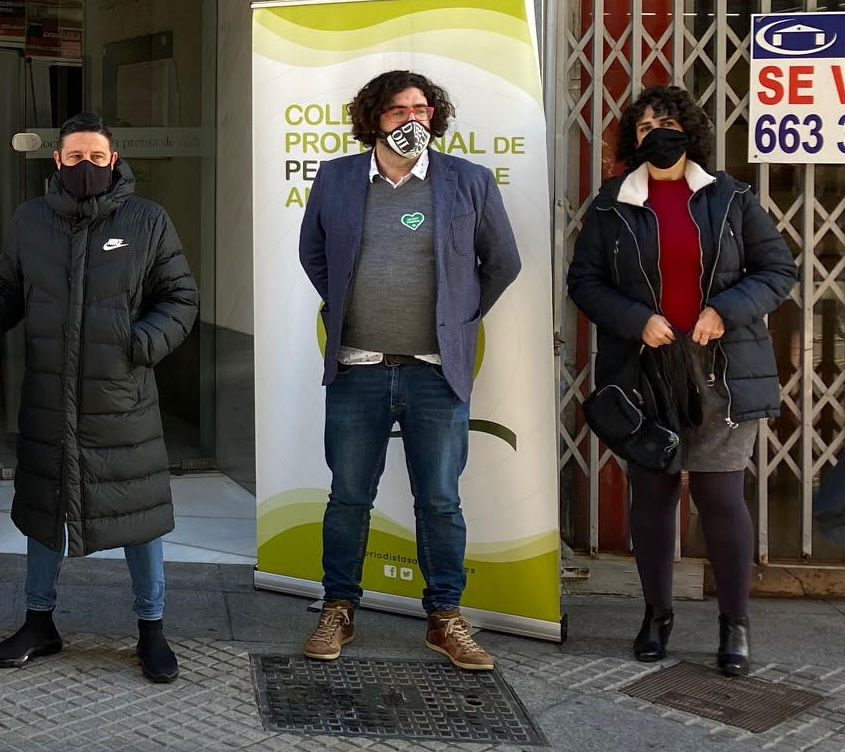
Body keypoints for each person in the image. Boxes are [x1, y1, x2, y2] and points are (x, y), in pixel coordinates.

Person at [0, 112, 198, 684]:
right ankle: (39, 622)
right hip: (46, 396)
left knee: (139, 514)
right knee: (44, 512)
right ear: (55, 162)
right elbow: (9, 292)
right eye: (73, 157)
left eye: (95, 157)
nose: (84, 166)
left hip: (122, 397)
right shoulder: (30, 220)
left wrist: (136, 346)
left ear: (113, 160)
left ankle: (151, 630)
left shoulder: (148, 221)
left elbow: (180, 299)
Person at [565, 83, 795, 677]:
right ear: (633, 139)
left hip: (720, 366)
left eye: (668, 124)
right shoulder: (613, 204)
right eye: (645, 128)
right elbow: (585, 282)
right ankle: (657, 613)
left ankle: (734, 623)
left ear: (689, 131)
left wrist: (726, 309)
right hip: (646, 367)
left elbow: (777, 269)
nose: (657, 135)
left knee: (720, 495)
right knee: (655, 493)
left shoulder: (732, 198)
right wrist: (636, 320)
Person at [298, 71, 521, 672]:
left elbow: (503, 261)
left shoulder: (466, 181)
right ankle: (338, 606)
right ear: (373, 119)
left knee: (441, 501)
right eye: (397, 112)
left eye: (421, 110)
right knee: (347, 497)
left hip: (434, 372)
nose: (411, 121)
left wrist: (458, 318)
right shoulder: (338, 178)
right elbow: (313, 253)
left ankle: (445, 617)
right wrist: (350, 303)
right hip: (357, 368)